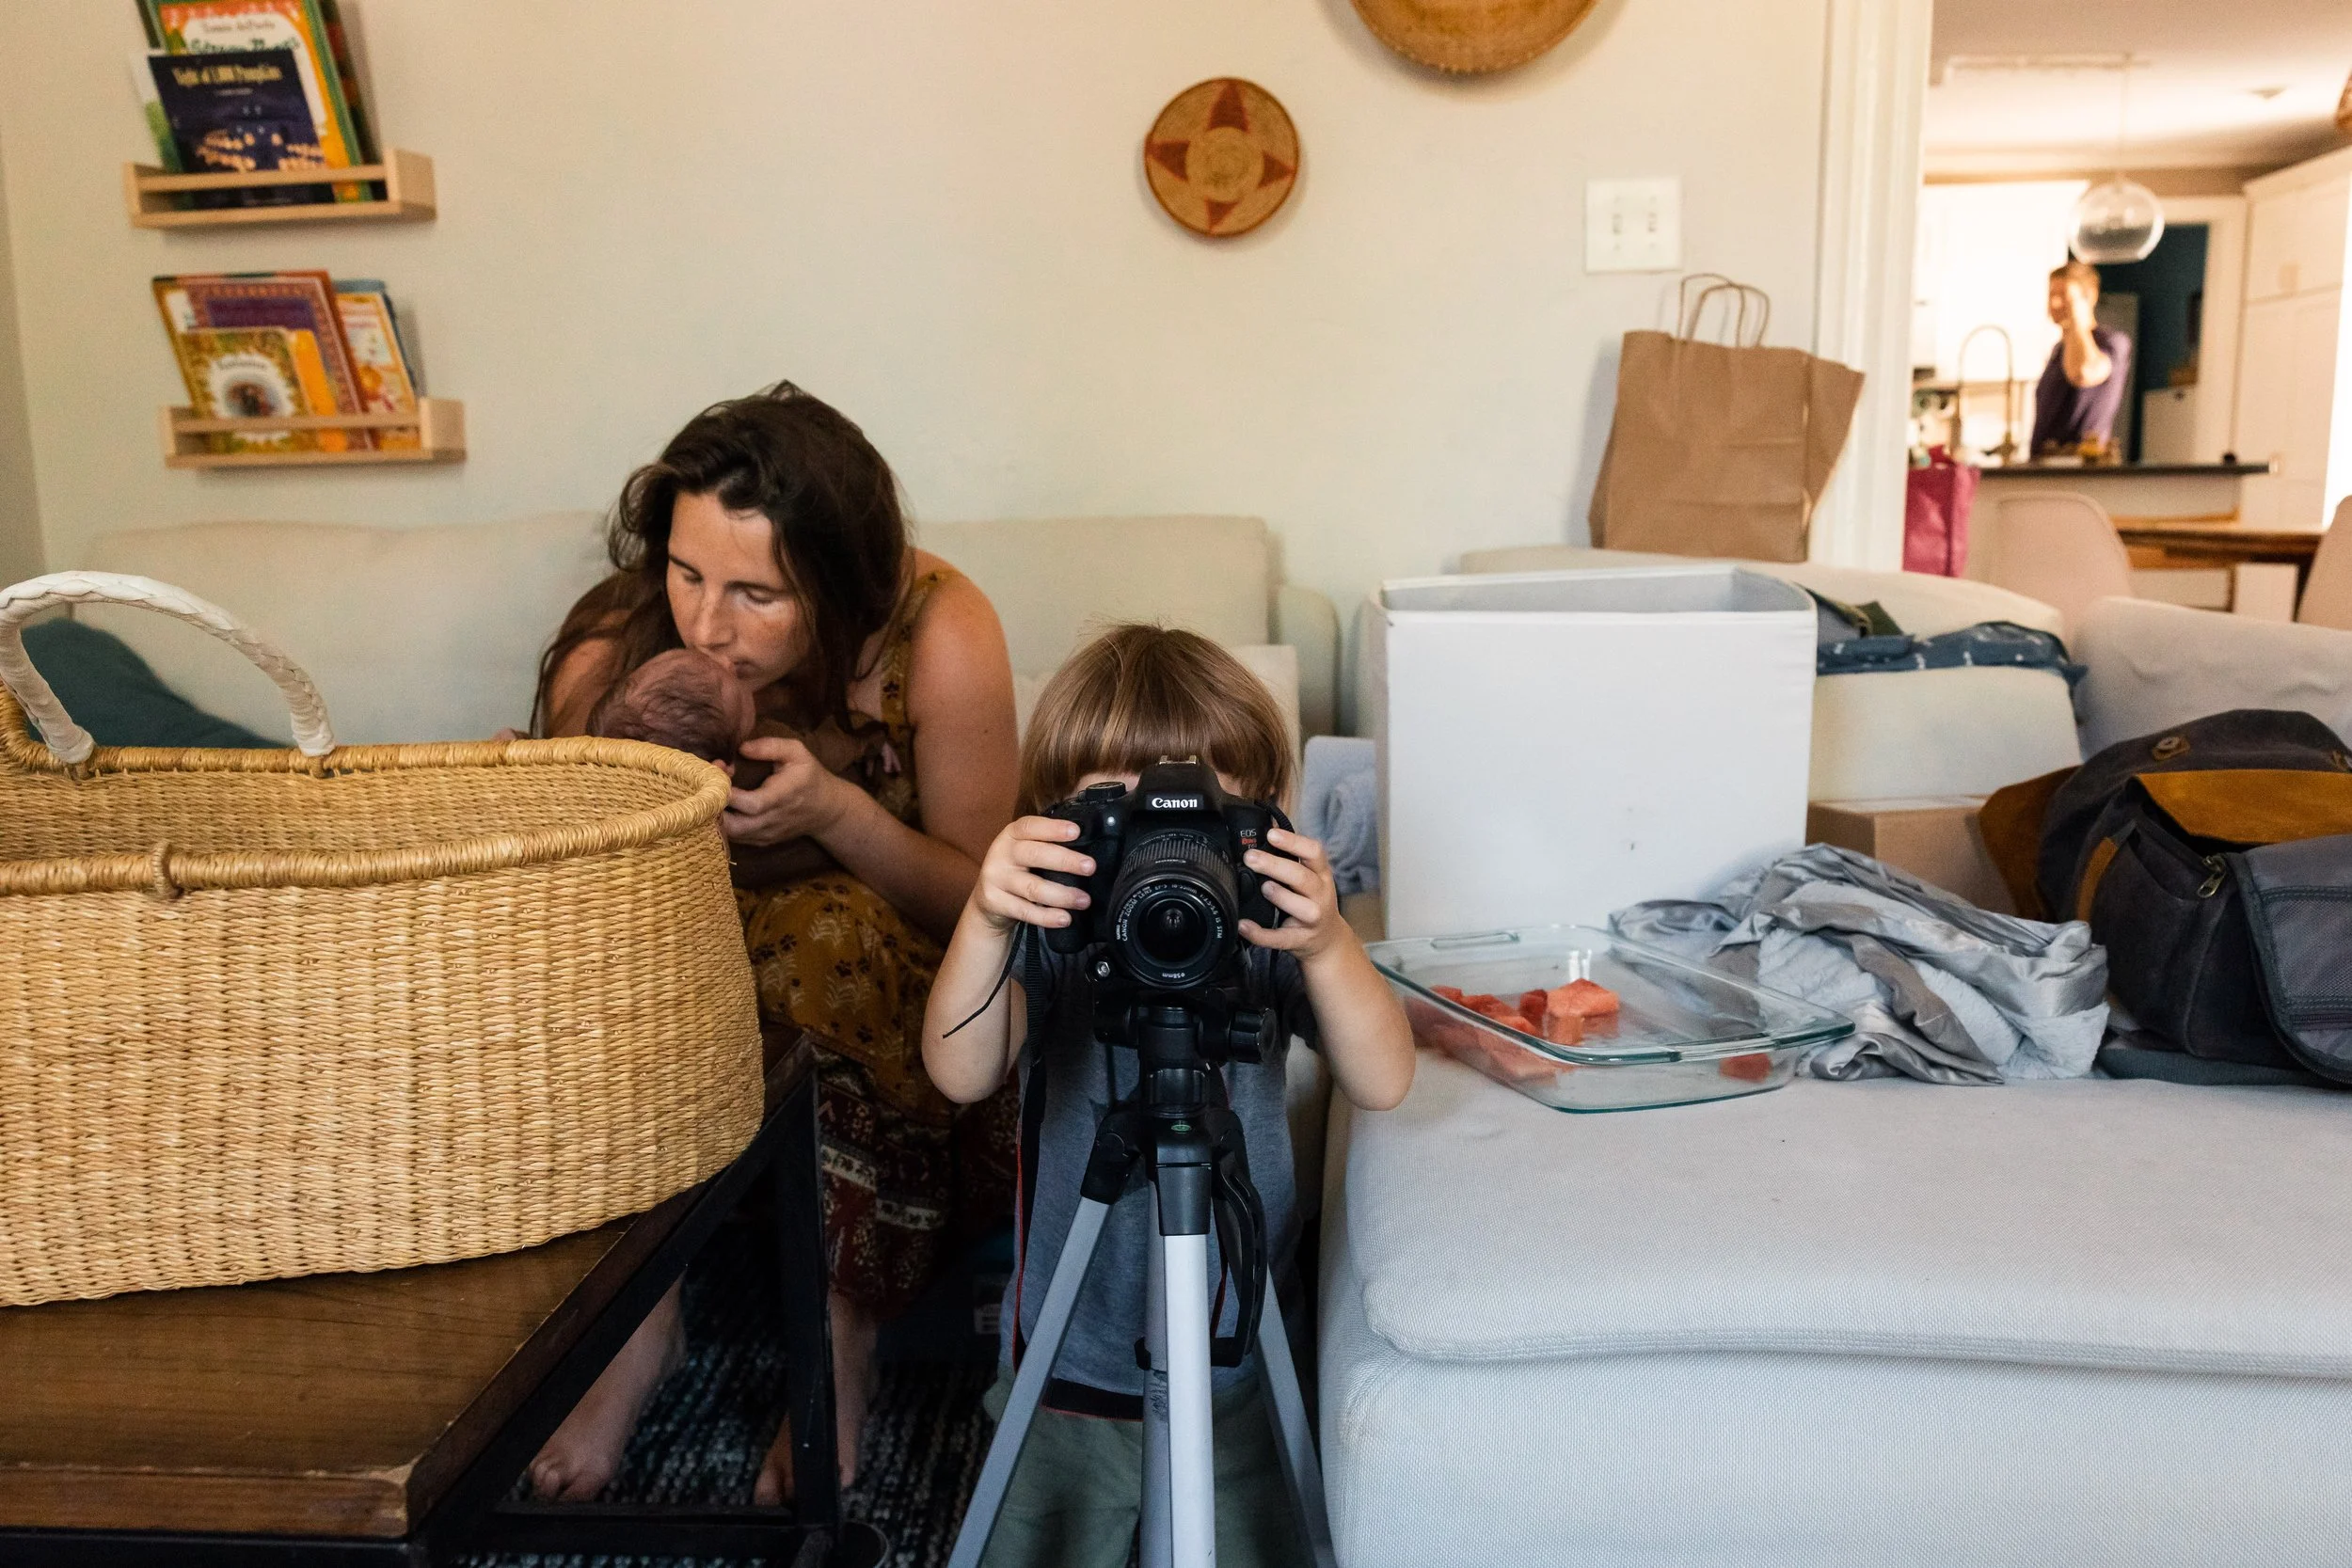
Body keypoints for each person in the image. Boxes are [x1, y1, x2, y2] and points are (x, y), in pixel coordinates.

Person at [527, 382, 1020, 1503]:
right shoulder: (624, 646)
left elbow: (983, 897)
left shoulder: (937, 633)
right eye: (688, 572)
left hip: (882, 984)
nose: (708, 623)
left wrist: (838, 816)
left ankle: (840, 1338)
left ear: (839, 585)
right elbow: (553, 877)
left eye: (757, 594)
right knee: (613, 967)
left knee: (823, 929)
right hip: (675, 958)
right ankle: (639, 1326)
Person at [922, 625, 1415, 1568]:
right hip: (1069, 1353)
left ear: (1262, 825)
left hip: (1232, 1348)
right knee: (1050, 1534)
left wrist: (1324, 942)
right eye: (1127, 819)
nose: (1167, 864)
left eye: (1201, 825)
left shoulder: (1257, 935)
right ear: (1056, 821)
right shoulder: (1055, 933)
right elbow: (957, 1069)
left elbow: (1384, 1078)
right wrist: (989, 914)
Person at [2030, 259, 2133, 459]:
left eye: (2064, 296)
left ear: (2090, 297)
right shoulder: (2058, 350)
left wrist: (2077, 319)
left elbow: (2083, 373)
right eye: (2052, 295)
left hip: (2081, 466)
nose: (2054, 303)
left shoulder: (2112, 342)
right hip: (2046, 465)